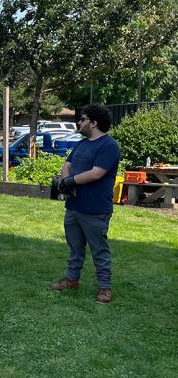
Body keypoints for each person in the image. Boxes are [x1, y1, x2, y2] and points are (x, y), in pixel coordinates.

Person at [50, 104, 121, 304]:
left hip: (95, 208)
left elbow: (96, 173)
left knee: (99, 249)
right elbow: (67, 164)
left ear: (93, 122)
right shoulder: (82, 144)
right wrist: (65, 183)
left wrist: (70, 181)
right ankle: (72, 280)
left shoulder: (109, 146)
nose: (79, 123)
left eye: (82, 119)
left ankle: (104, 288)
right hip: (74, 206)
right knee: (75, 247)